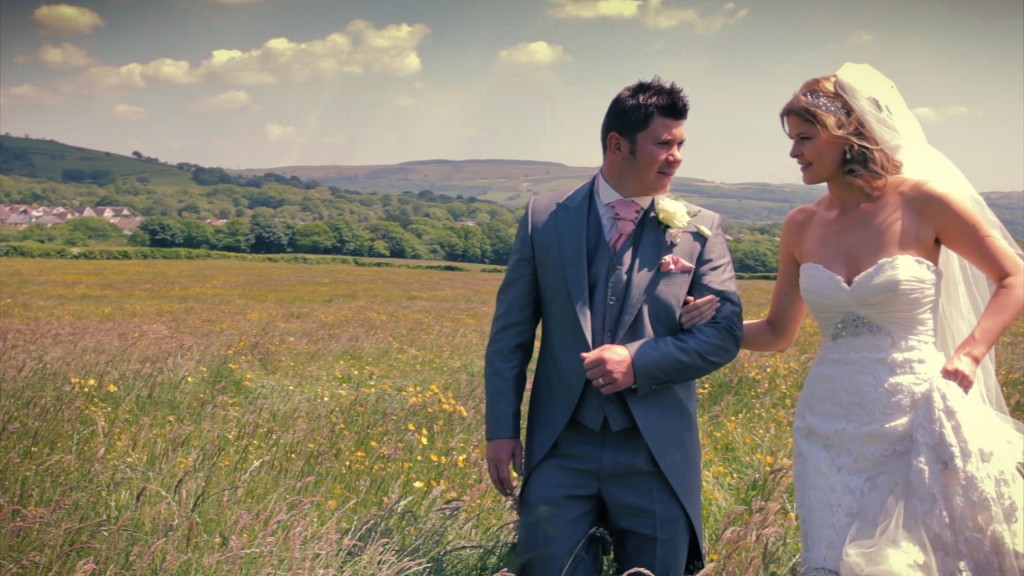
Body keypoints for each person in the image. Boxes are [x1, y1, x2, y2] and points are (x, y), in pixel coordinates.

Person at [681, 63, 1024, 575]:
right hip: (827, 426)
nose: (793, 152)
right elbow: (778, 333)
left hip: (912, 416)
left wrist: (971, 352)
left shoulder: (924, 201)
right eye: (792, 139)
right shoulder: (800, 225)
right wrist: (701, 328)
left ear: (849, 135)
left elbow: (1014, 278)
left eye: (804, 138)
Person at [484, 77, 743, 575]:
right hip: (561, 446)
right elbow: (510, 335)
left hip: (655, 453)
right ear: (616, 145)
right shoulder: (543, 218)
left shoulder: (698, 229)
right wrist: (501, 428)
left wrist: (639, 360)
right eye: (663, 144)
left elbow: (723, 334)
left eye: (681, 144)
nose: (676, 157)